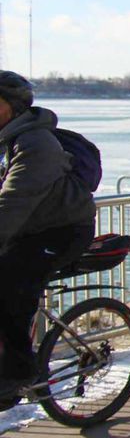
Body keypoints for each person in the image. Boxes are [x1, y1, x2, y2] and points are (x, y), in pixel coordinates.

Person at [0, 71, 96, 398]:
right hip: (26, 226)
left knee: (11, 282)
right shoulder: (4, 140)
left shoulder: (35, 144)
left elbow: (13, 202)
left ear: (12, 106)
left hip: (62, 230)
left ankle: (18, 371)